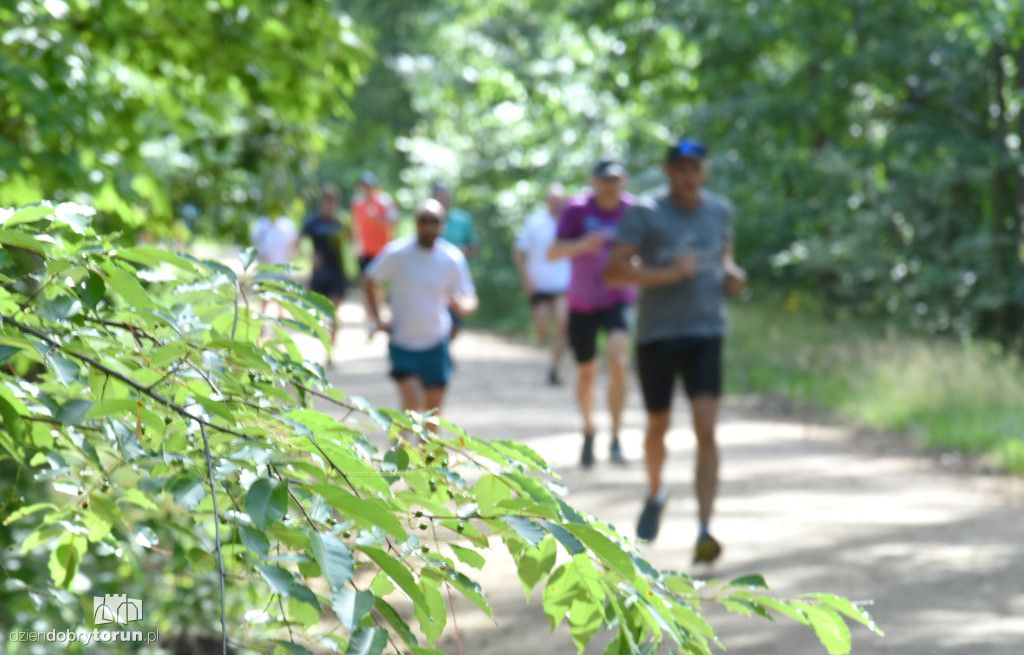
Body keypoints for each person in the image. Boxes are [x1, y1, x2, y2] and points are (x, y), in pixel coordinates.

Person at [604, 137, 747, 564]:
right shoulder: (645, 213)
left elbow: (723, 260)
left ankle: (705, 528)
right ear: (668, 172)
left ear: (705, 171)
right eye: (681, 168)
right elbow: (614, 271)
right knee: (658, 428)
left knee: (706, 427)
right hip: (658, 335)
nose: (689, 175)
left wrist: (732, 274)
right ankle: (655, 491)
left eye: (696, 167)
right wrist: (668, 274)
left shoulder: (719, 211)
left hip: (706, 331)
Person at [547, 159, 636, 467]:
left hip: (619, 297)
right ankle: (588, 429)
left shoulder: (632, 210)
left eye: (615, 179)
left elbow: (647, 249)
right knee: (586, 374)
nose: (610, 185)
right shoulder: (577, 209)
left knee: (618, 359)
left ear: (623, 180)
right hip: (582, 302)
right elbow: (553, 251)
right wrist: (582, 245)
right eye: (604, 179)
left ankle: (616, 436)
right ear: (594, 180)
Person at [363, 198, 478, 423]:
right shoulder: (398, 253)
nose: (429, 227)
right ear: (416, 223)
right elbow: (370, 279)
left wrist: (464, 306)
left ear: (442, 225)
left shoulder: (452, 258)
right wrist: (378, 317)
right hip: (402, 343)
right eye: (424, 221)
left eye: (434, 222)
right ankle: (399, 454)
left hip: (436, 343)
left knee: (432, 416)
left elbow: (469, 296)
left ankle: (426, 458)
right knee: (413, 404)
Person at [514, 183, 570, 385]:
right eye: (553, 199)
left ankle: (554, 369)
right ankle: (545, 349)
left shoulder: (570, 222)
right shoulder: (534, 222)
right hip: (539, 284)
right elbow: (519, 252)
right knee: (543, 330)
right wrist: (526, 277)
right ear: (546, 200)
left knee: (563, 326)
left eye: (560, 199)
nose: (556, 203)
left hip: (564, 284)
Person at [301, 183, 349, 357]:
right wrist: (309, 257)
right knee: (321, 315)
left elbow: (353, 244)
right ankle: (326, 341)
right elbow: (297, 242)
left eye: (333, 201)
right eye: (326, 201)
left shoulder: (341, 223)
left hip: (338, 273)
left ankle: (331, 349)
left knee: (334, 312)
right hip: (320, 275)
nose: (329, 205)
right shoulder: (313, 222)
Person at [352, 171, 400, 333]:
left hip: (382, 250)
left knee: (378, 284)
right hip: (365, 250)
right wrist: (356, 244)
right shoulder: (357, 203)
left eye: (368, 186)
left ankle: (378, 313)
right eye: (363, 186)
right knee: (366, 283)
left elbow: (393, 223)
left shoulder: (385, 202)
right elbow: (356, 225)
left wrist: (377, 219)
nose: (365, 189)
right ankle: (370, 318)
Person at [433, 183, 478, 340]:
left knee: (456, 320)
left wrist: (464, 250)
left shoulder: (463, 219)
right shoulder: (428, 220)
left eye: (444, 198)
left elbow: (473, 245)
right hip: (433, 277)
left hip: (455, 278)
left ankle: (444, 345)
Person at [250, 211, 298, 320]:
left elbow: (294, 245)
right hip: (265, 271)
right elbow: (254, 244)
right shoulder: (260, 226)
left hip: (281, 271)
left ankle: (279, 329)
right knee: (263, 302)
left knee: (281, 302)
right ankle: (260, 330)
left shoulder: (287, 226)